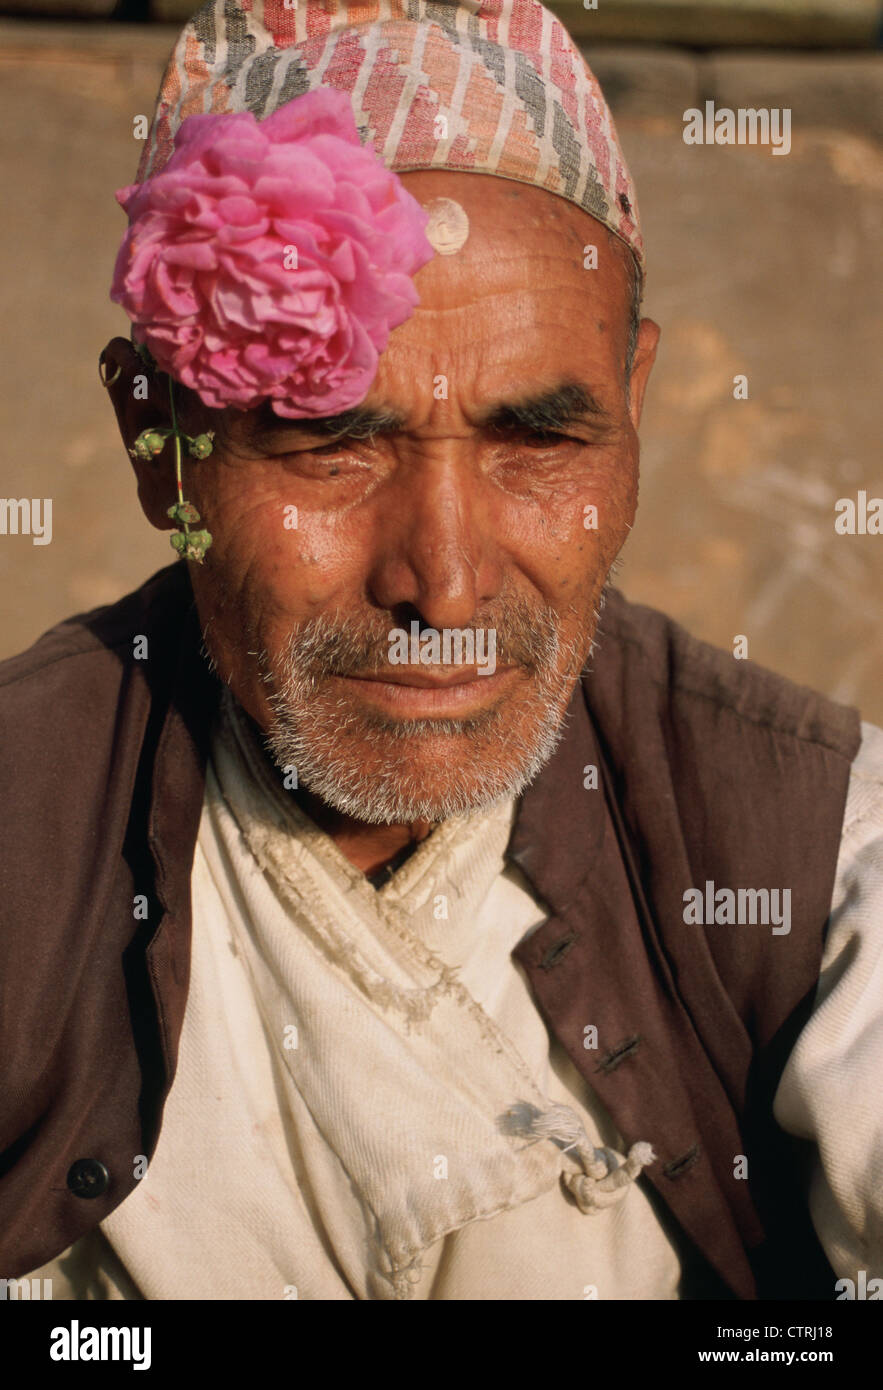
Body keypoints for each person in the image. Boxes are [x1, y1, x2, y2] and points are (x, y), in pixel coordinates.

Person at [1, 0, 880, 1301]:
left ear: (631, 415)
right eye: (332, 442)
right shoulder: (26, 830)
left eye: (539, 441)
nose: (445, 579)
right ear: (160, 444)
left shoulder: (809, 843)